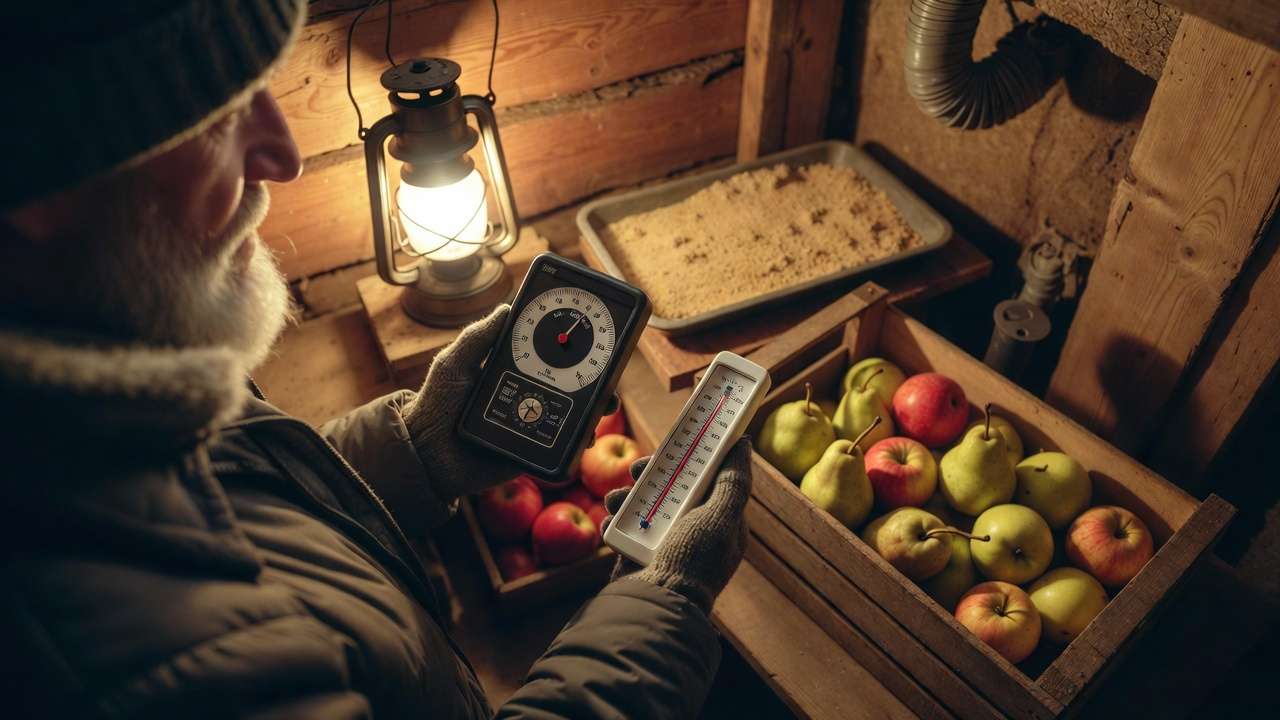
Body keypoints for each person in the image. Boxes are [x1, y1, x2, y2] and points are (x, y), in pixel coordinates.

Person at [0, 2, 752, 718]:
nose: (282, 155)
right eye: (220, 112)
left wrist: (418, 449)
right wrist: (664, 604)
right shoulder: (135, 664)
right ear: (37, 167)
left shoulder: (126, 356)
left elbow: (235, 498)